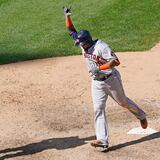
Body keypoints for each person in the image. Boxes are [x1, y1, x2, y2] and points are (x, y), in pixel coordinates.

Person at [63, 7, 148, 150]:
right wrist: (68, 16)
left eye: (81, 43)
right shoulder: (83, 44)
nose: (80, 45)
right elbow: (71, 30)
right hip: (96, 82)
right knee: (98, 109)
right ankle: (102, 140)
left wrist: (100, 68)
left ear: (87, 41)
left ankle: (141, 115)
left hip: (111, 80)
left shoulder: (102, 47)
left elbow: (116, 62)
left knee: (123, 102)